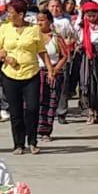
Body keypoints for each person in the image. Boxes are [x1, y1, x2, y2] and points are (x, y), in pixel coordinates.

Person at [0, 0, 46, 154]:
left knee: (33, 108)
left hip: (31, 73)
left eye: (11, 12)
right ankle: (19, 144)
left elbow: (41, 51)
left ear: (21, 14)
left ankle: (33, 141)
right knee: (15, 111)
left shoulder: (34, 29)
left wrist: (50, 68)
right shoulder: (4, 28)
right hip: (10, 74)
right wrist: (5, 57)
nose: (8, 15)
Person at [34, 10, 68, 142]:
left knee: (50, 102)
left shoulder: (56, 38)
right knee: (34, 102)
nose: (39, 22)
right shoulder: (33, 37)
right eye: (38, 20)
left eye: (42, 20)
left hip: (53, 73)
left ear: (49, 21)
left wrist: (54, 70)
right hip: (35, 72)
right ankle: (34, 129)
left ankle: (46, 131)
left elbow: (65, 55)